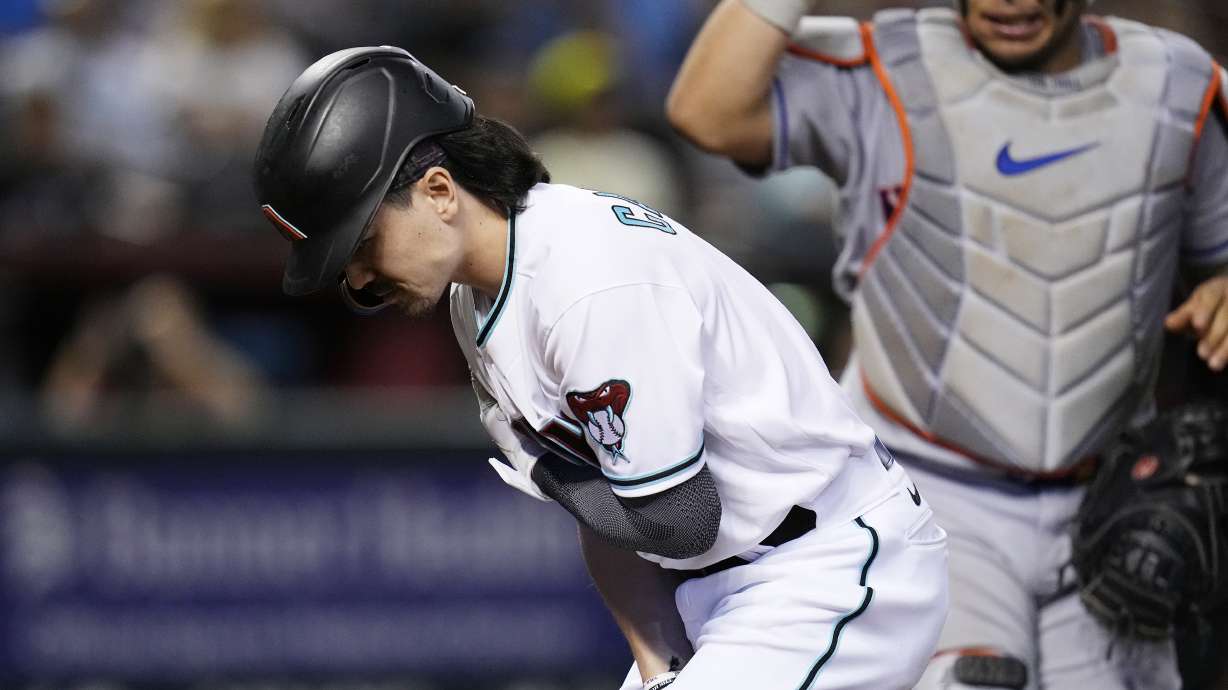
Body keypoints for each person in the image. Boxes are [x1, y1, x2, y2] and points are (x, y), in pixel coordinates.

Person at [253, 47, 948, 689]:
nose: (364, 278)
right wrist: (655, 662)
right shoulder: (482, 295)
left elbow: (677, 519)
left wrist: (552, 475)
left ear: (439, 191)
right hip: (737, 589)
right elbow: (610, 513)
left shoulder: (586, 278)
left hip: (831, 567)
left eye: (363, 242)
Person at [666, 0, 1228, 688]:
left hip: (1110, 497)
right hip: (929, 490)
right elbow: (706, 110)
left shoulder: (1178, 84)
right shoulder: (887, 69)